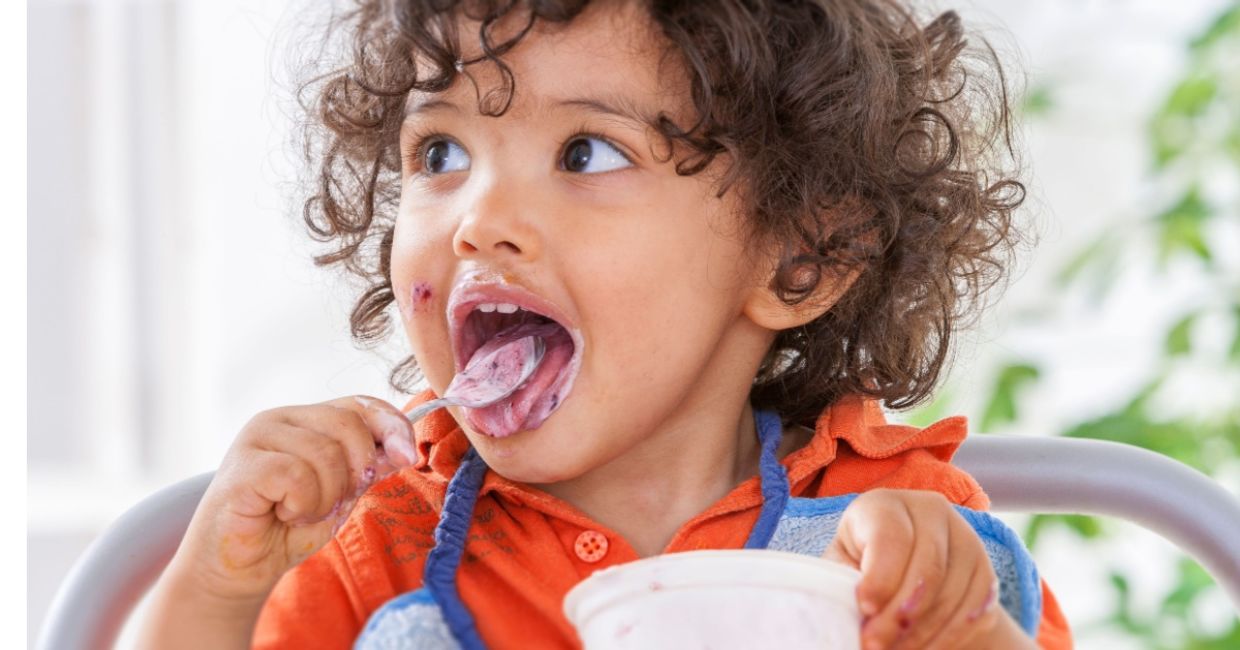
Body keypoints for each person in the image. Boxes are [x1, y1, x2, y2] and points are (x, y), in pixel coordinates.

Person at [138, 1, 1074, 648]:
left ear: (800, 255)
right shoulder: (374, 544)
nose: (479, 219)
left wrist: (953, 627)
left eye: (584, 153)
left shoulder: (892, 520)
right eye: (442, 150)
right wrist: (218, 591)